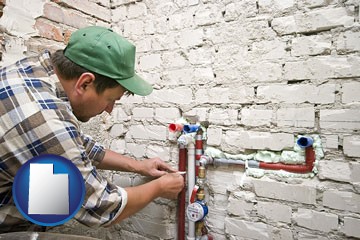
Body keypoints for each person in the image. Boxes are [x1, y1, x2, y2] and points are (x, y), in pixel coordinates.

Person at [0, 26, 184, 232]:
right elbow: (102, 206)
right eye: (110, 100)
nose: (109, 110)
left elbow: (77, 145)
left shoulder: (36, 71)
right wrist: (159, 187)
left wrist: (138, 166)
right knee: (56, 195)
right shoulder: (42, 117)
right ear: (85, 83)